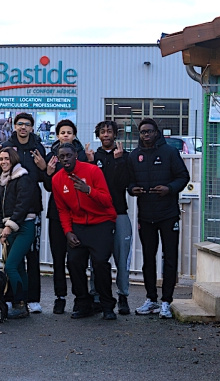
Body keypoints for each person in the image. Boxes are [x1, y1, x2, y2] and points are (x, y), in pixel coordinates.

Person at [128, 118, 190, 319]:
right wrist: (132, 189)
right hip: (146, 216)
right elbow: (129, 181)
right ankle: (151, 299)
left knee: (169, 258)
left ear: (157, 133)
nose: (146, 135)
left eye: (149, 131)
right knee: (148, 258)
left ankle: (166, 301)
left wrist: (169, 189)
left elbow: (183, 177)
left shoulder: (169, 153)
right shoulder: (134, 155)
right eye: (143, 132)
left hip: (168, 214)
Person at [51, 143, 118, 320]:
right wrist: (67, 232)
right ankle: (83, 303)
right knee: (73, 262)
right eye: (62, 156)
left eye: (68, 155)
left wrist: (88, 190)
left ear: (76, 155)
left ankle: (107, 305)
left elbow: (107, 201)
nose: (65, 159)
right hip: (78, 225)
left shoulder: (93, 171)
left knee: (100, 263)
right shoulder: (57, 179)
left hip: (101, 223)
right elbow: (62, 210)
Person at [1, 112, 46, 314]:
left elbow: (47, 180)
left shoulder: (38, 148)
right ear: (14, 126)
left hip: (31, 212)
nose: (23, 127)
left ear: (32, 127)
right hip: (11, 213)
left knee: (32, 257)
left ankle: (32, 299)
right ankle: (12, 298)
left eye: (27, 124)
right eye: (20, 124)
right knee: (12, 260)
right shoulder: (7, 147)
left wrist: (44, 169)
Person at [85, 120, 132, 315]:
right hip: (98, 215)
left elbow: (121, 184)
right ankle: (96, 296)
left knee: (122, 259)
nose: (106, 134)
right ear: (98, 135)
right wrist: (88, 162)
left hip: (119, 213)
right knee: (97, 259)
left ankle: (122, 296)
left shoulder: (123, 156)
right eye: (102, 131)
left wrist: (119, 161)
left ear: (115, 134)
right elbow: (89, 185)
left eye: (109, 131)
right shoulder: (92, 156)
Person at [43, 119, 87, 314]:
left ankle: (80, 297)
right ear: (58, 135)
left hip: (78, 212)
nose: (66, 135)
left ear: (74, 135)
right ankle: (59, 297)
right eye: (62, 132)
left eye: (69, 132)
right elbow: (47, 186)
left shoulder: (83, 155)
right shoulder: (51, 156)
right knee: (58, 257)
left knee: (77, 258)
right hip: (56, 212)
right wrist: (49, 174)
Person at [0, 147, 36, 319]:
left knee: (10, 265)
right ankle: (21, 304)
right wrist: (1, 229)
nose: (3, 162)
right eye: (1, 159)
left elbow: (22, 205)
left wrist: (9, 226)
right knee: (18, 267)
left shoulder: (23, 177)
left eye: (7, 159)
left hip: (24, 226)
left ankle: (20, 304)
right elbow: (1, 208)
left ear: (13, 160)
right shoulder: (4, 180)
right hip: (10, 227)